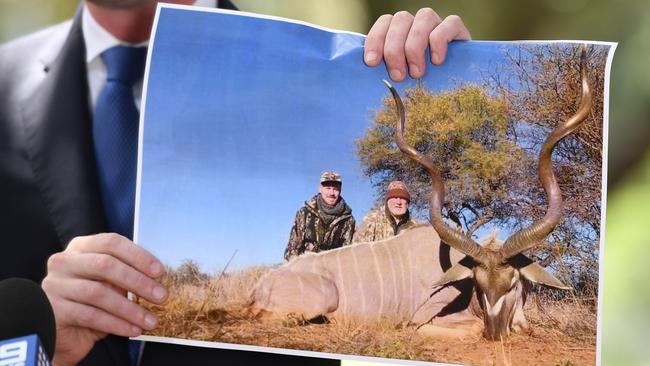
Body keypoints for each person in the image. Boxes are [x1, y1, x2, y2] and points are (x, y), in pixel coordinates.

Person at [0, 0, 471, 364]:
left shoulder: (327, 68)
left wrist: (459, 73)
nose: (330, 191)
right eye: (326, 186)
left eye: (334, 186)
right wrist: (33, 348)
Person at [284, 171, 355, 260]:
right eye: (328, 188)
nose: (332, 193)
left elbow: (345, 253)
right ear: (320, 189)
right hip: (306, 267)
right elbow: (292, 248)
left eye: (335, 189)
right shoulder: (304, 213)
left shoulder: (348, 220)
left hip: (332, 267)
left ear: (340, 190)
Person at [354, 181, 420, 243]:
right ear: (387, 201)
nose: (398, 202)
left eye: (403, 198)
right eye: (394, 197)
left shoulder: (416, 227)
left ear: (407, 203)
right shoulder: (371, 221)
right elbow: (357, 250)